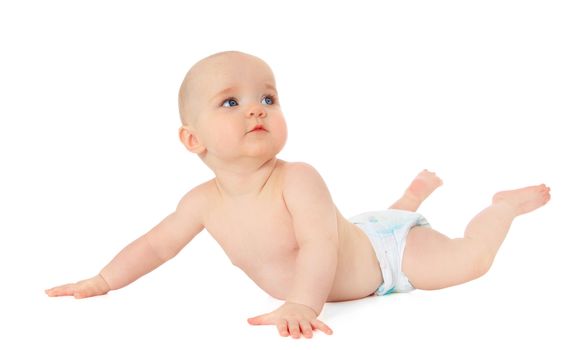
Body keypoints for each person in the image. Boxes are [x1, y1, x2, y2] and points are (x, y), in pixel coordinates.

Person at [46, 51, 551, 339]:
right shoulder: (201, 201)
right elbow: (156, 245)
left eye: (268, 97)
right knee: (364, 222)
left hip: (390, 255)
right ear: (192, 139)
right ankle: (408, 199)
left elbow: (320, 246)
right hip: (362, 229)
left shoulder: (297, 177)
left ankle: (501, 208)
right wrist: (105, 279)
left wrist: (304, 305)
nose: (256, 109)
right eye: (231, 101)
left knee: (469, 262)